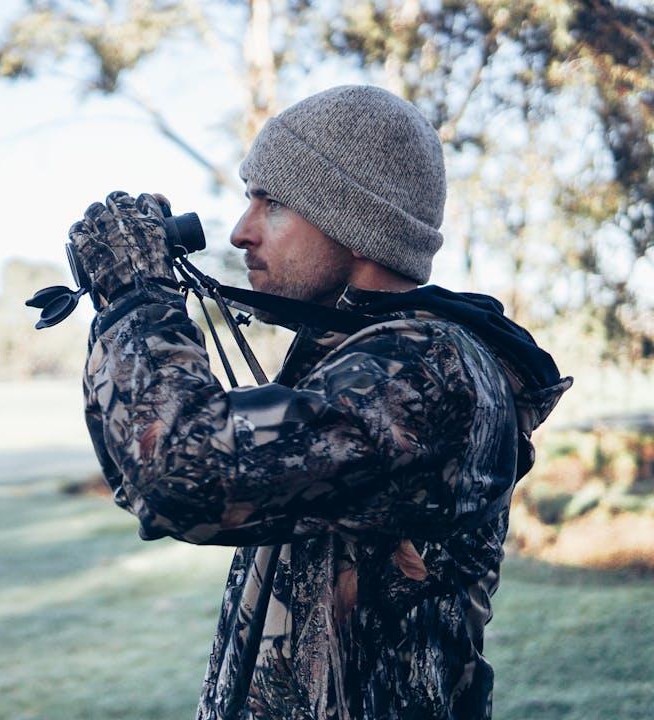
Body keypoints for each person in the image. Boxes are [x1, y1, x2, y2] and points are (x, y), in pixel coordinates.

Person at [66, 84, 573, 719]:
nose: (240, 232)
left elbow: (182, 477)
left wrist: (139, 299)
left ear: (356, 226)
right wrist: (126, 312)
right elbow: (145, 476)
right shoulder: (352, 358)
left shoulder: (426, 370)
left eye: (271, 202)